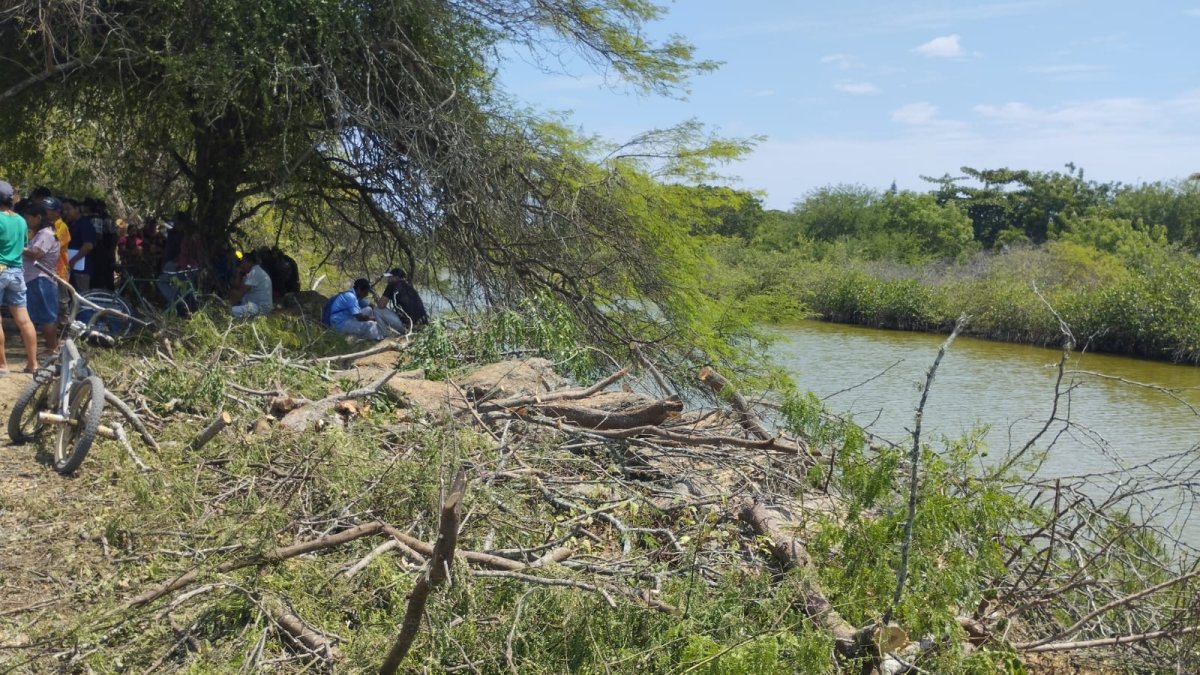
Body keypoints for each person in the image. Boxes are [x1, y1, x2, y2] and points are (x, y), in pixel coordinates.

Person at [0, 180, 40, 374]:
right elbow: (24, 245)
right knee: (24, 320)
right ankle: (33, 364)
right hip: (17, 272)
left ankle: (2, 365)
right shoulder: (21, 220)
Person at [19, 200, 59, 356]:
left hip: (41, 279)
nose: (27, 221)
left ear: (38, 217)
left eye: (29, 218)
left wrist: (18, 246)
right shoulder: (39, 234)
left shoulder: (46, 234)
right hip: (34, 279)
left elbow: (36, 253)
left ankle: (52, 348)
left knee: (47, 316)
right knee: (36, 315)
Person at [374, 267, 429, 335]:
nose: (388, 279)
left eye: (390, 277)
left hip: (408, 326)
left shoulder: (391, 285)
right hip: (422, 324)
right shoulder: (409, 286)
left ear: (396, 277)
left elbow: (381, 305)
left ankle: (382, 335)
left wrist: (377, 300)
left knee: (377, 310)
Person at [64, 197, 96, 291]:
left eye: (68, 209)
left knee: (81, 296)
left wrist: (73, 260)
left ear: (77, 209)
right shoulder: (70, 224)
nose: (65, 212)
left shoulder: (84, 224)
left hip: (81, 269)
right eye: (64, 210)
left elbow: (88, 246)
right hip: (70, 268)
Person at [229, 251, 273, 318]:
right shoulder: (252, 273)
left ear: (249, 262)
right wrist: (238, 274)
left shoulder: (255, 272)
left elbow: (239, 294)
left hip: (258, 308)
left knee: (230, 311)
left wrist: (228, 306)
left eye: (243, 262)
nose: (241, 265)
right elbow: (236, 288)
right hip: (255, 307)